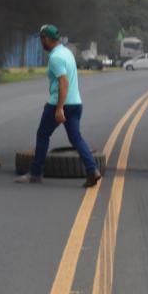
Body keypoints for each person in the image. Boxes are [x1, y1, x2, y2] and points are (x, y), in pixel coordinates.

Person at [16, 24, 102, 187]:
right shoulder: (67, 52)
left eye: (42, 40)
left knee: (42, 135)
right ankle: (92, 170)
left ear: (46, 39)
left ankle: (35, 174)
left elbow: (63, 82)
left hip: (62, 104)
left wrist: (59, 107)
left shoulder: (55, 58)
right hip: (76, 103)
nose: (42, 43)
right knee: (76, 138)